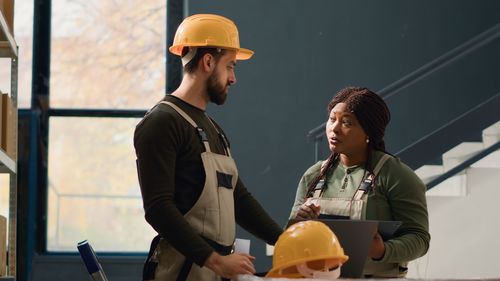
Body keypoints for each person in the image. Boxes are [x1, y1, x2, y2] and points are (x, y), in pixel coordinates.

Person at [134, 14, 283, 281]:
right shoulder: (162, 122)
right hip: (181, 272)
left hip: (214, 272)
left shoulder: (214, 130)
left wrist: (286, 242)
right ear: (208, 62)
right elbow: (158, 208)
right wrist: (215, 261)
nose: (233, 78)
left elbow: (239, 199)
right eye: (230, 66)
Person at [289, 86, 430, 278]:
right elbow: (290, 240)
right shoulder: (314, 176)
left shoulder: (396, 176)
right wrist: (301, 222)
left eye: (346, 122)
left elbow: (419, 239)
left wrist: (382, 250)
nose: (334, 128)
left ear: (368, 132)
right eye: (332, 119)